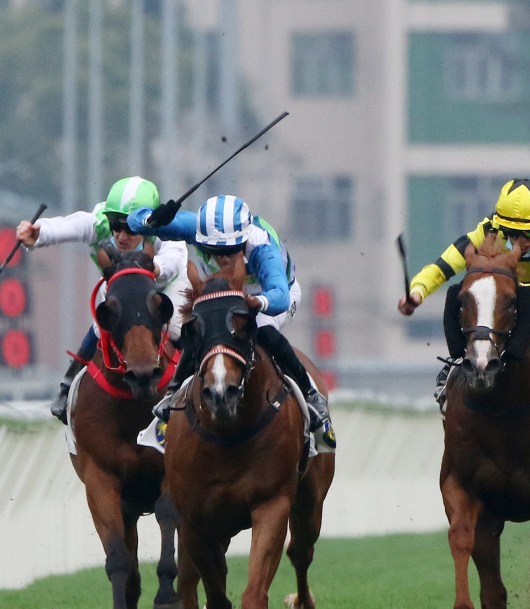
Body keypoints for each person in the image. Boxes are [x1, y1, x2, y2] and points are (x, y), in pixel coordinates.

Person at [127, 194, 335, 445]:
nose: (223, 259)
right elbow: (133, 221)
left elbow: (279, 295)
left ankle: (312, 397)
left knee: (263, 328)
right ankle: (171, 397)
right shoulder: (197, 229)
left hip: (271, 295)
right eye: (215, 251)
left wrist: (257, 303)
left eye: (230, 251)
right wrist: (151, 219)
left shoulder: (261, 248)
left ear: (244, 239)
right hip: (226, 295)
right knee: (196, 329)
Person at [397, 178, 530, 416]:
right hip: (503, 306)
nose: (521, 242)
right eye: (513, 234)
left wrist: (507, 290)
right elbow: (445, 265)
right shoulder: (489, 230)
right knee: (470, 309)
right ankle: (452, 374)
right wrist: (417, 292)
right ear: (502, 226)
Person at [16, 176, 189, 423]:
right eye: (115, 225)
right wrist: (37, 234)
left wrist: (154, 268)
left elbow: (174, 259)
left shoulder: (164, 229)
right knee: (102, 326)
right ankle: (67, 386)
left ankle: (186, 386)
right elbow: (68, 226)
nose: (120, 235)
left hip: (165, 285)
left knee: (176, 326)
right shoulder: (98, 223)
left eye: (130, 228)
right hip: (121, 287)